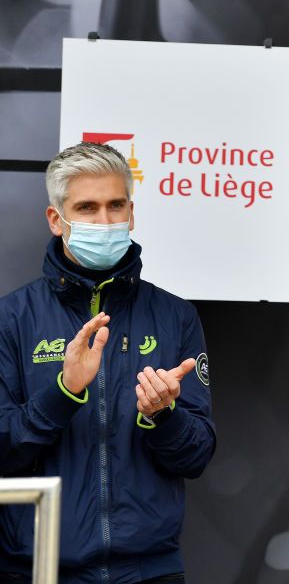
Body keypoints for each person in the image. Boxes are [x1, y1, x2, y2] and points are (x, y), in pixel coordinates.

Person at [0, 142, 216, 583]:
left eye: (116, 205)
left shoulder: (175, 316)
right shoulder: (11, 318)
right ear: (56, 220)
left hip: (149, 571)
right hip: (36, 568)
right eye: (87, 207)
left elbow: (197, 456)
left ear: (131, 214)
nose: (104, 221)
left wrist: (163, 416)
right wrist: (63, 393)